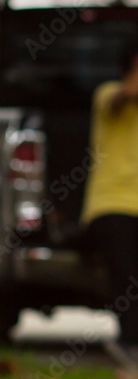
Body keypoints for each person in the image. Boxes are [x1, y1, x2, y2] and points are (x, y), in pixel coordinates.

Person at [81, 41, 138, 361]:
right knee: (125, 275)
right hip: (112, 203)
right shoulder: (107, 94)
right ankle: (129, 344)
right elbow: (125, 95)